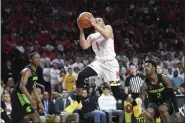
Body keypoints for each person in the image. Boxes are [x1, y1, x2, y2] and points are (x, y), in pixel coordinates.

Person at [65, 13, 127, 113]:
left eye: (99, 20)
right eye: (96, 19)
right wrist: (81, 30)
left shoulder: (108, 28)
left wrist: (94, 23)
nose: (97, 20)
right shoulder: (92, 36)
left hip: (111, 63)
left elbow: (106, 35)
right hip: (99, 62)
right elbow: (84, 46)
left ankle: (134, 102)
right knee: (81, 75)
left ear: (103, 23)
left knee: (117, 92)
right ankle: (77, 101)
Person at [11, 52, 44, 123]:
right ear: (31, 60)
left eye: (39, 58)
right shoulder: (27, 70)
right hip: (18, 95)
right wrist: (31, 99)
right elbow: (22, 86)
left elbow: (33, 86)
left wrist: (39, 102)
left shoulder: (35, 71)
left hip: (24, 96)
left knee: (35, 116)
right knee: (34, 116)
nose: (38, 59)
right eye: (36, 58)